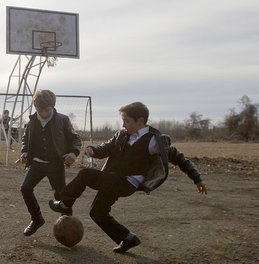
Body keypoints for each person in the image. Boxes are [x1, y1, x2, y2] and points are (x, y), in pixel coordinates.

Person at [49, 102, 207, 253]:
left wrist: (197, 178)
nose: (123, 125)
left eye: (127, 121)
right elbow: (106, 148)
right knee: (97, 213)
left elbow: (179, 158)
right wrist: (92, 150)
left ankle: (65, 204)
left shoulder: (153, 141)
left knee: (85, 175)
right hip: (112, 179)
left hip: (127, 183)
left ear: (141, 121)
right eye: (123, 121)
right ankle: (128, 238)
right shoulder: (121, 135)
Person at [19, 89, 81, 236]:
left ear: (53, 106)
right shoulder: (32, 121)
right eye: (40, 110)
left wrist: (73, 152)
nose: (44, 113)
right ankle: (37, 219)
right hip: (37, 163)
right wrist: (24, 151)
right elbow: (25, 139)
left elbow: (75, 139)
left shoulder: (62, 120)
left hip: (55, 164)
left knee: (61, 197)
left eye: (47, 110)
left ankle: (68, 229)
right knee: (25, 188)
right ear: (35, 108)